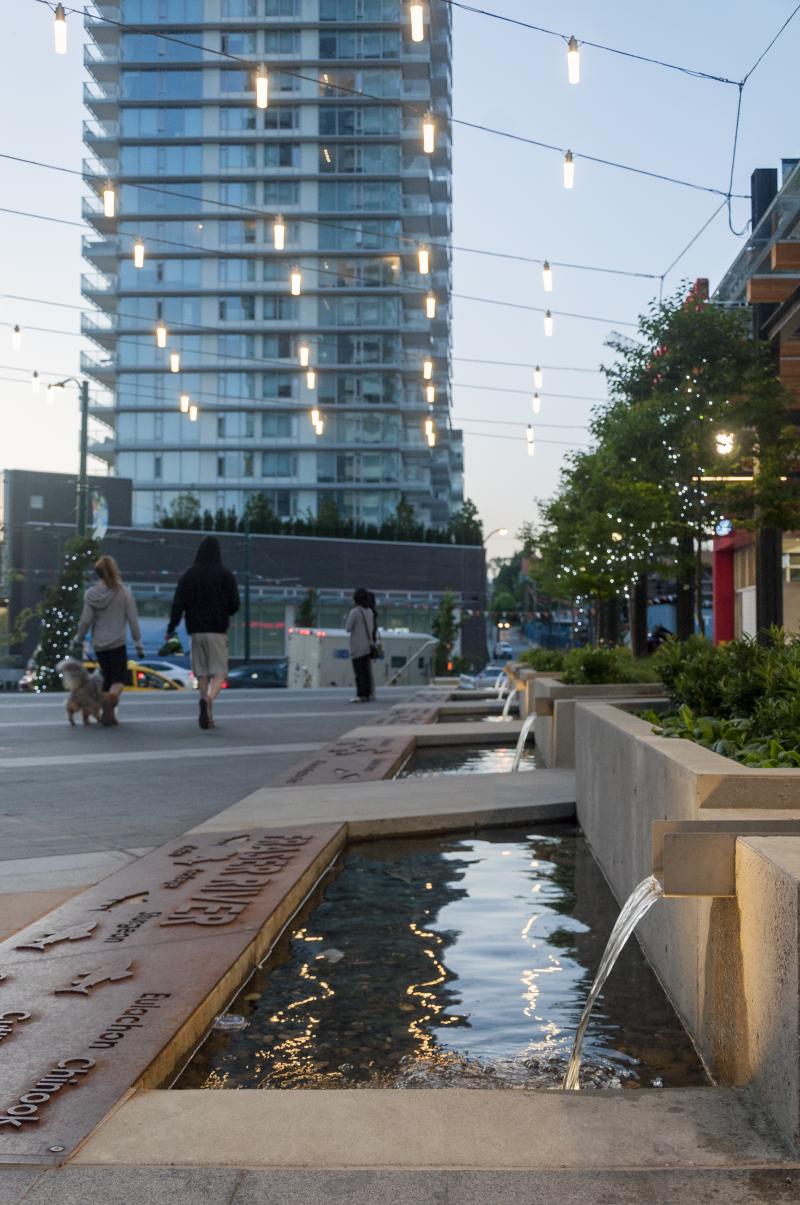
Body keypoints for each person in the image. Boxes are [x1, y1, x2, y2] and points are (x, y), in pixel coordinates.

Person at [165, 535, 240, 729]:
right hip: (217, 630)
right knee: (220, 672)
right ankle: (209, 700)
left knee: (202, 673)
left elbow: (178, 604)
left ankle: (208, 713)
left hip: (195, 631)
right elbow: (234, 605)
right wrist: (224, 609)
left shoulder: (189, 575)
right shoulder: (226, 575)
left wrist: (171, 628)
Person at [76, 554, 143, 727]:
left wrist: (80, 637)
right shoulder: (124, 593)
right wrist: (138, 642)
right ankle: (109, 705)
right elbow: (133, 619)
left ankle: (109, 713)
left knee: (106, 679)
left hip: (99, 645)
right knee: (119, 681)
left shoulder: (91, 595)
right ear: (114, 570)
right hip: (117, 643)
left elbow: (85, 620)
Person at [345, 587, 374, 703]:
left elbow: (348, 628)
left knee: (359, 672)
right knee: (366, 672)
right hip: (367, 646)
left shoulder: (355, 612)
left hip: (357, 646)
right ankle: (367, 694)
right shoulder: (370, 612)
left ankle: (360, 694)